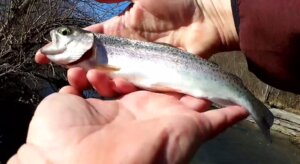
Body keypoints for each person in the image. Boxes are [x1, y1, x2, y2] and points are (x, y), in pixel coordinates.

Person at [8, 0, 300, 163]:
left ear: (86, 40)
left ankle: (258, 110)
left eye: (65, 32)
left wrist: (214, 13)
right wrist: (218, 15)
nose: (59, 36)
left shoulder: (100, 51)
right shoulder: (95, 55)